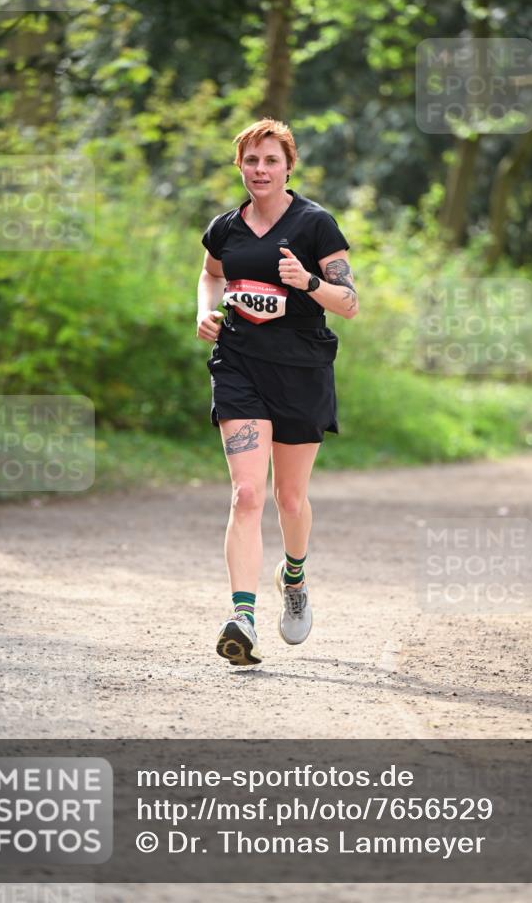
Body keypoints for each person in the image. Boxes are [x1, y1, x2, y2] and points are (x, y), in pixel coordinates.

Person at [196, 118, 358, 667]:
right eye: (250, 160)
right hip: (239, 365)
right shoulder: (225, 228)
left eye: (270, 161)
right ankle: (242, 616)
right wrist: (206, 311)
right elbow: (210, 274)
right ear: (239, 166)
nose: (259, 170)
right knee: (246, 495)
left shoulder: (315, 226)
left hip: (302, 371)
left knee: (290, 499)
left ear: (289, 166)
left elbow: (350, 302)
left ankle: (294, 576)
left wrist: (308, 283)